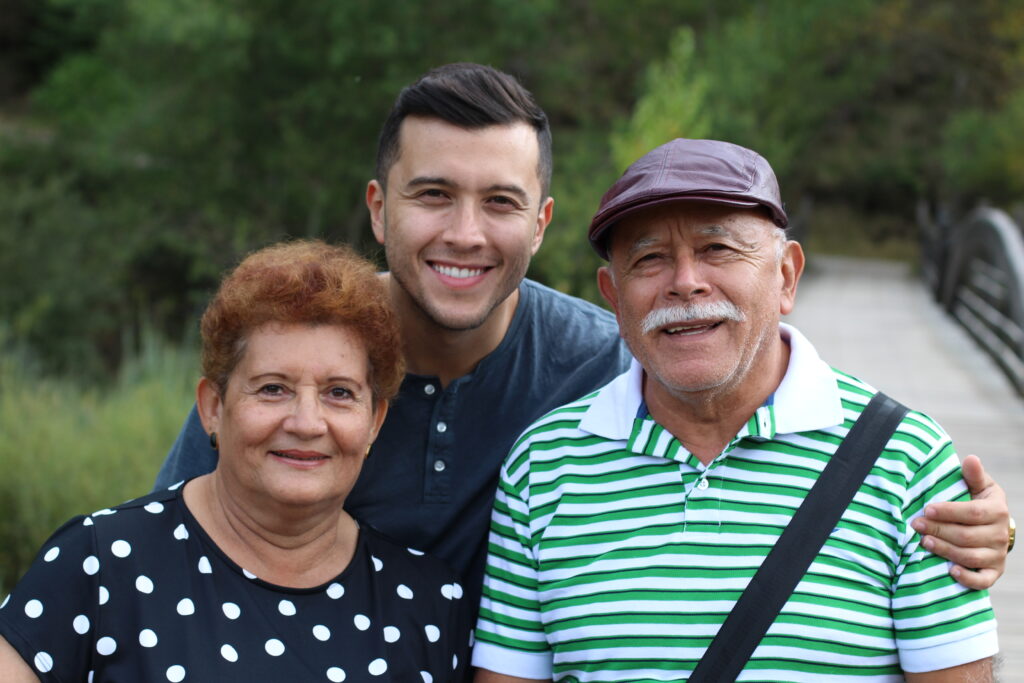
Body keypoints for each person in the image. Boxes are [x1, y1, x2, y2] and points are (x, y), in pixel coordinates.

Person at [152, 64, 1010, 631]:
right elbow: (165, 543)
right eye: (432, 195)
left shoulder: (613, 360)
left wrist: (946, 513)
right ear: (378, 209)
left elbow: (756, 391)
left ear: (542, 221)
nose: (464, 233)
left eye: (499, 201)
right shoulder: (297, 366)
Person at [472, 139, 998, 681]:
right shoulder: (544, 465)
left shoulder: (906, 460)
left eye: (717, 249)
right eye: (649, 258)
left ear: (785, 277)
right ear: (613, 296)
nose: (685, 282)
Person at [0, 240, 470, 681]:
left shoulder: (430, 605)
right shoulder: (98, 564)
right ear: (213, 408)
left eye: (339, 393)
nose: (307, 422)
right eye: (272, 388)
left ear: (374, 421)